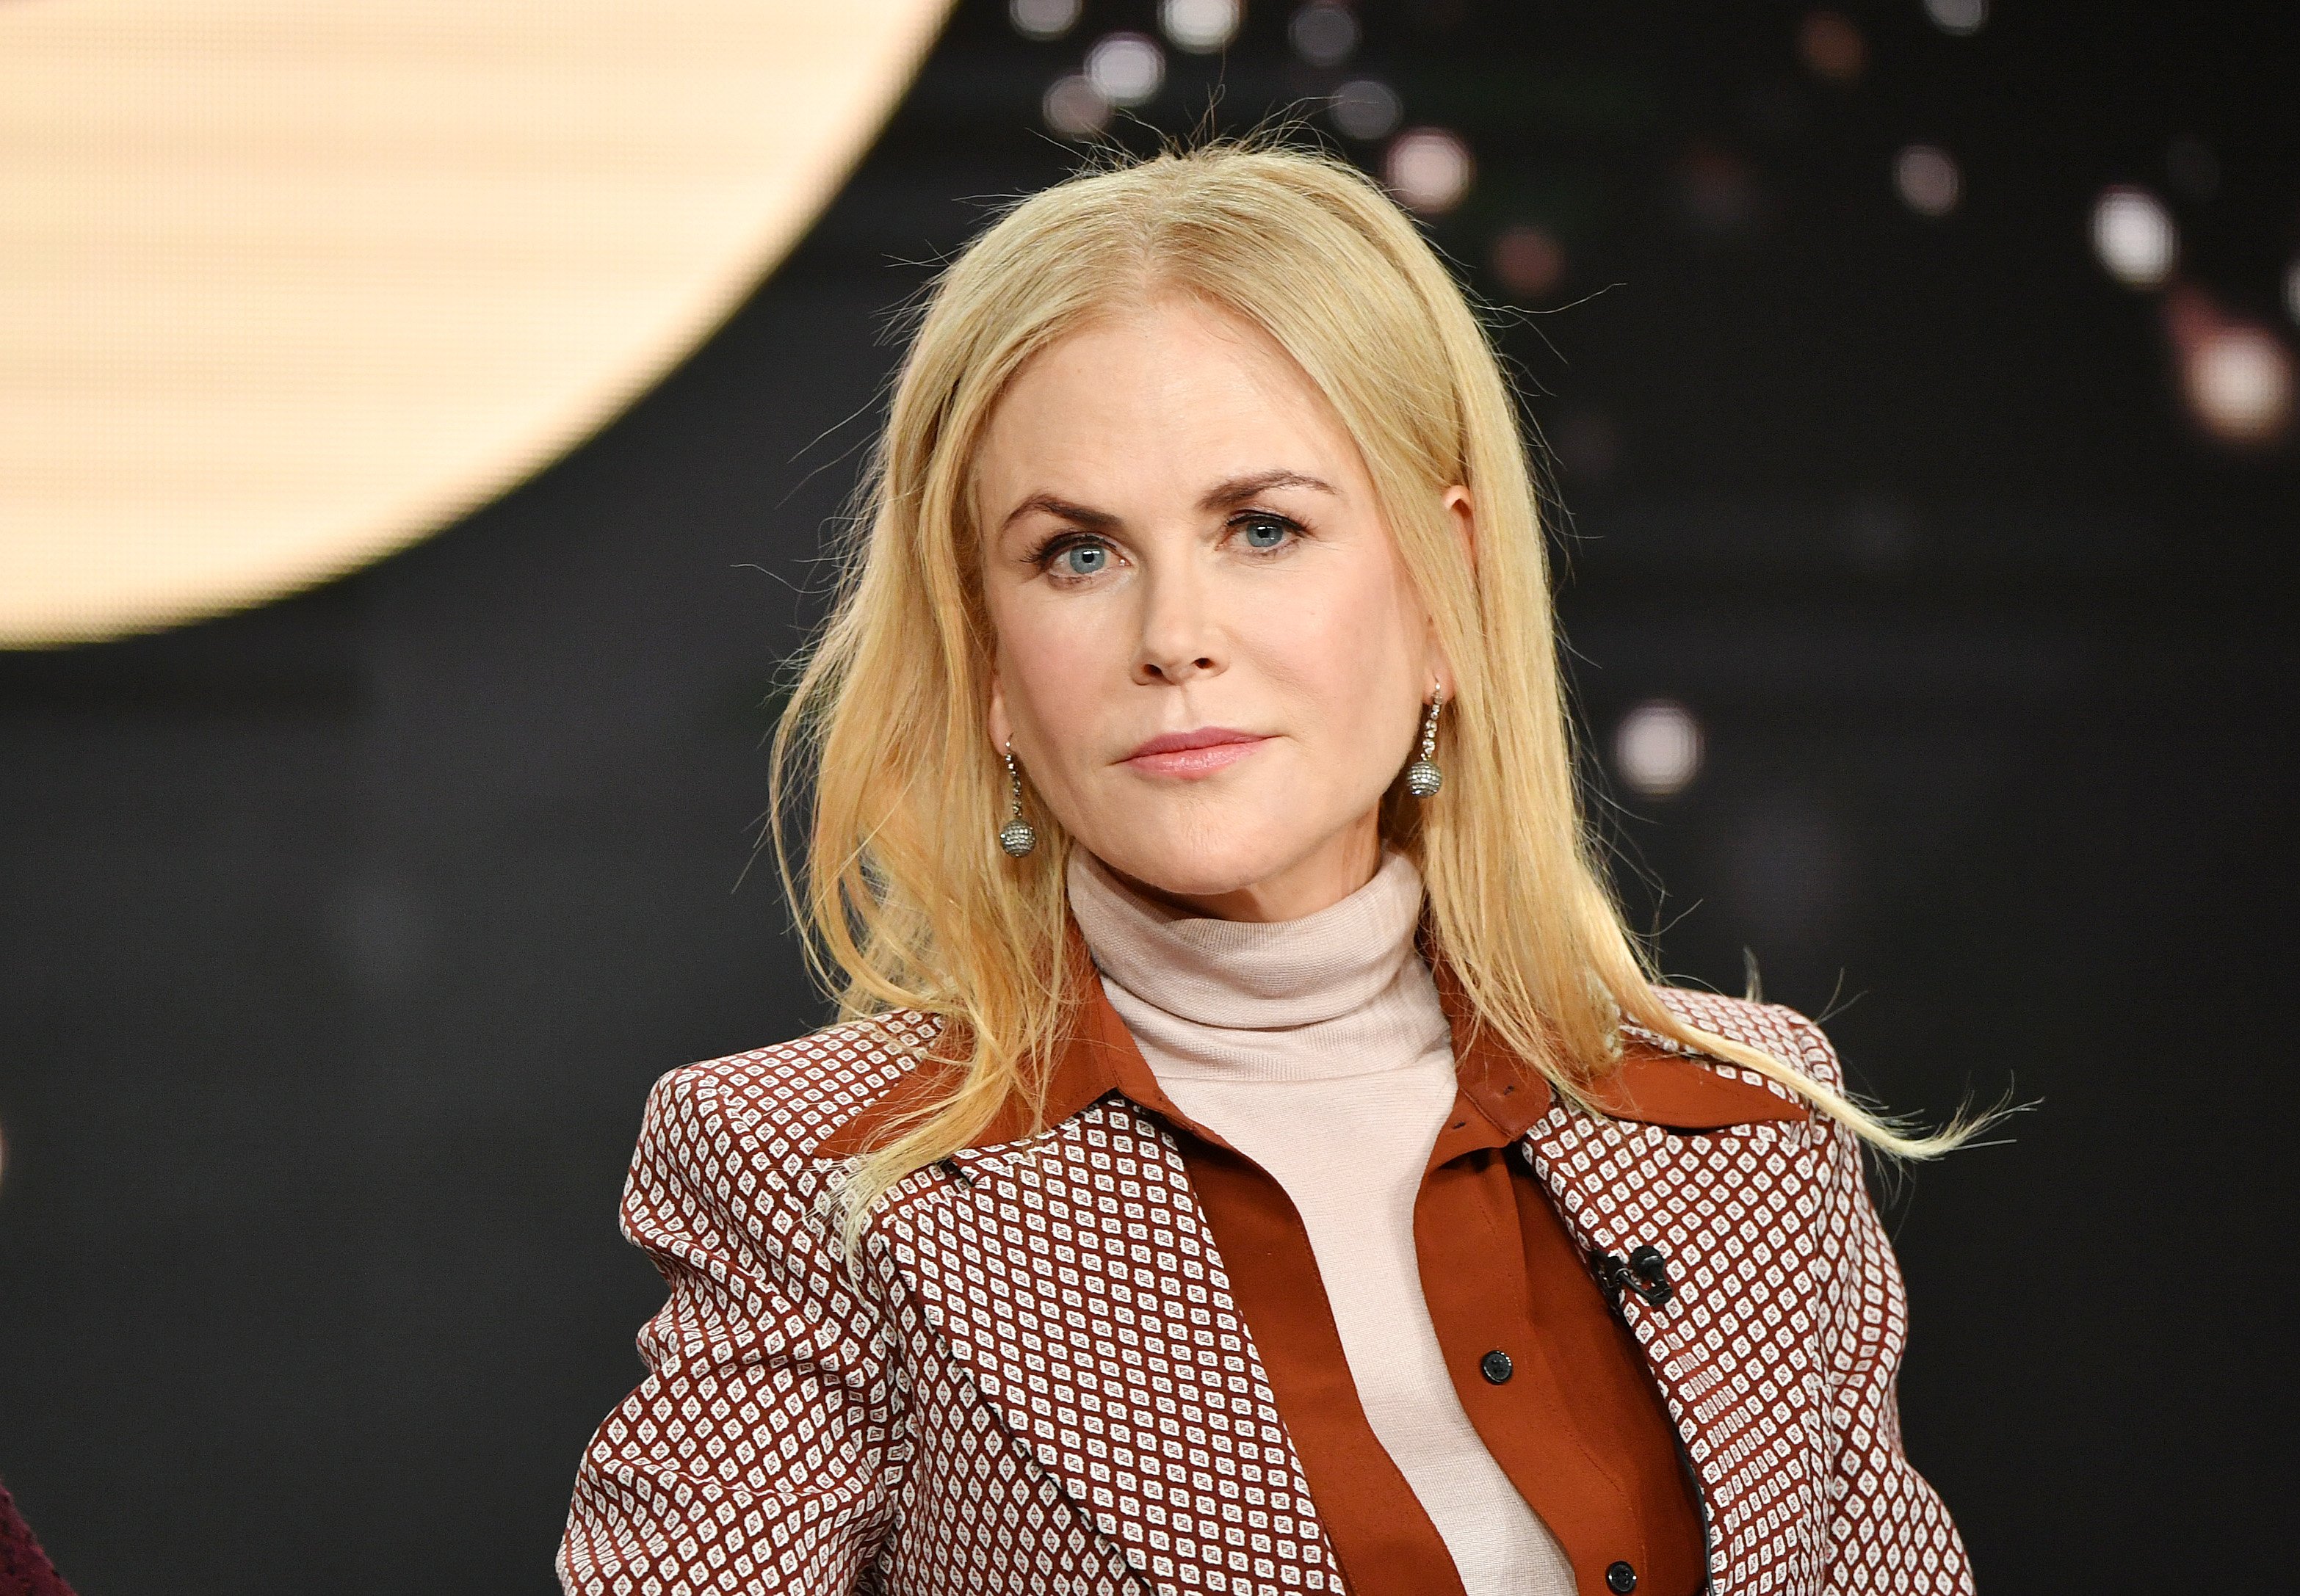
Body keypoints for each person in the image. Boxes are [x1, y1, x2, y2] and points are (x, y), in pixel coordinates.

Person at [560, 140, 1975, 1596]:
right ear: (988, 660)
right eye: (1076, 556)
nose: (1174, 633)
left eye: (1261, 527)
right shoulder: (818, 1176)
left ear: (1446, 596)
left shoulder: (1735, 1128)